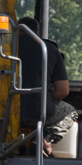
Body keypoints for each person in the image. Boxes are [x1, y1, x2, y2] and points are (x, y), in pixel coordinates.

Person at [15, 16, 77, 153]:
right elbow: (63, 91)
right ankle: (44, 138)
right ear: (36, 32)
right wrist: (46, 96)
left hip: (6, 113)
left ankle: (16, 146)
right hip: (37, 112)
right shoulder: (48, 48)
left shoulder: (4, 48)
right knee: (71, 112)